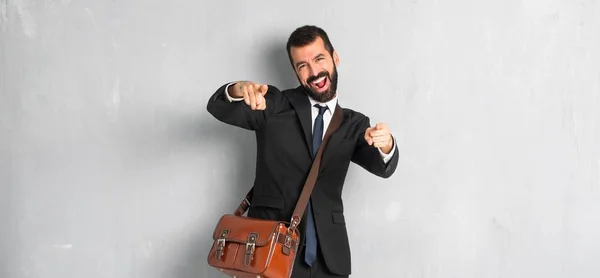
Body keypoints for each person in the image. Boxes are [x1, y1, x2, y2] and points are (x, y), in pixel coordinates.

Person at [206, 25, 399, 278]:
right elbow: (218, 107)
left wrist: (386, 144)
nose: (313, 71)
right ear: (295, 72)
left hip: (329, 260)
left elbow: (382, 166)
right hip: (269, 253)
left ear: (335, 58)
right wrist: (237, 90)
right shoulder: (273, 104)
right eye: (302, 65)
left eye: (319, 59)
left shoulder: (355, 124)